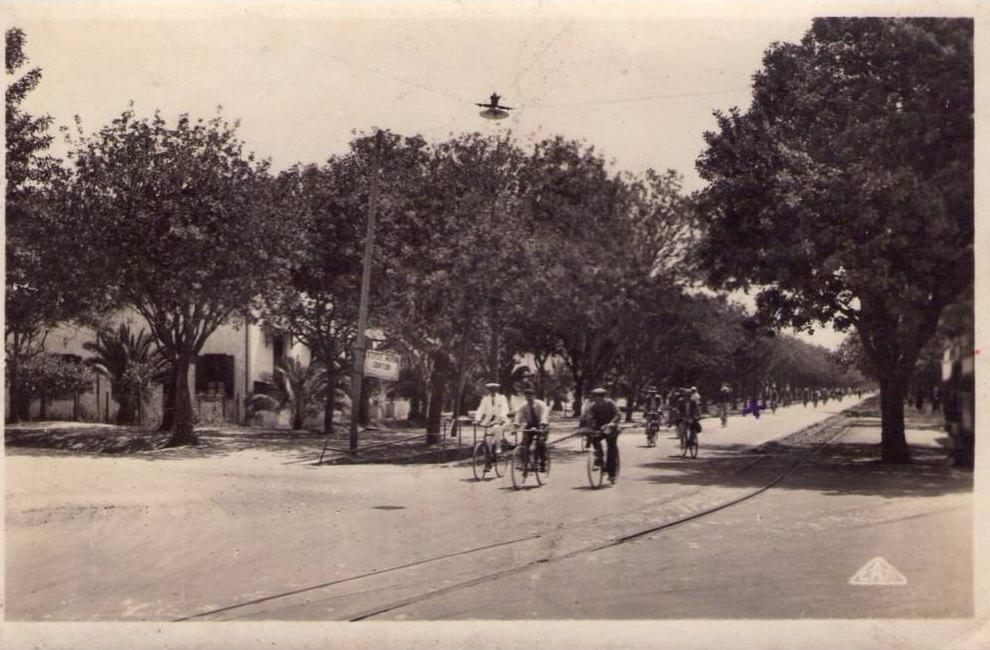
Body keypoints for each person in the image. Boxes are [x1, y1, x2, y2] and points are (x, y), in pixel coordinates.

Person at [584, 387, 621, 482]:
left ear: (601, 397)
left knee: (611, 450)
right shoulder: (593, 406)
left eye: (595, 396)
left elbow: (618, 414)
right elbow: (590, 417)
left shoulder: (610, 403)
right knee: (594, 439)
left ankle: (612, 475)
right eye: (593, 396)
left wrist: (612, 423)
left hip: (611, 428)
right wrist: (589, 427)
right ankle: (600, 458)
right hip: (599, 427)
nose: (594, 398)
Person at [514, 383, 550, 471]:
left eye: (531, 396)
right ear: (525, 397)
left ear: (534, 396)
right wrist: (516, 424)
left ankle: (543, 463)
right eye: (527, 397)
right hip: (530, 425)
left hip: (541, 425)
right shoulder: (523, 406)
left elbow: (544, 415)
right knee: (524, 443)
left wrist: (542, 425)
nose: (529, 398)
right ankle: (524, 463)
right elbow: (519, 415)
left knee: (540, 443)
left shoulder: (541, 404)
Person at [473, 382, 509, 458]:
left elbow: (505, 408)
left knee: (497, 428)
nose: (492, 391)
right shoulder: (485, 399)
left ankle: (498, 447)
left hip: (500, 420)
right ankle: (489, 457)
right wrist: (477, 419)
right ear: (488, 390)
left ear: (496, 390)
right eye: (490, 390)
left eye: (494, 390)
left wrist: (502, 416)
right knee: (488, 439)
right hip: (489, 422)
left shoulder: (502, 398)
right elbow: (480, 409)